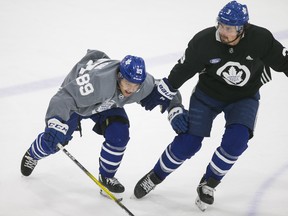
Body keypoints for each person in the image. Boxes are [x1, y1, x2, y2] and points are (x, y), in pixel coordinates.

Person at [133, 0, 288, 211]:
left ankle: (209, 183)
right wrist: (167, 89)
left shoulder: (261, 39)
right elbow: (184, 69)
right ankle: (156, 175)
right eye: (221, 25)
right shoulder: (204, 41)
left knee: (237, 141)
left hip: (244, 98)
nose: (223, 31)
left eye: (230, 28)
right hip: (207, 96)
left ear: (242, 28)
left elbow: (284, 62)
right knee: (189, 142)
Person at [20, 49, 183, 195]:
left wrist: (175, 107)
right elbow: (64, 98)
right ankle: (33, 154)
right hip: (77, 104)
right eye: (128, 83)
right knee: (53, 141)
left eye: (136, 86)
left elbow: (166, 89)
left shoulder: (142, 83)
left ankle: (106, 177)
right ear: (119, 75)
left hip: (107, 102)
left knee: (119, 134)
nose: (131, 90)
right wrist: (55, 122)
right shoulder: (97, 82)